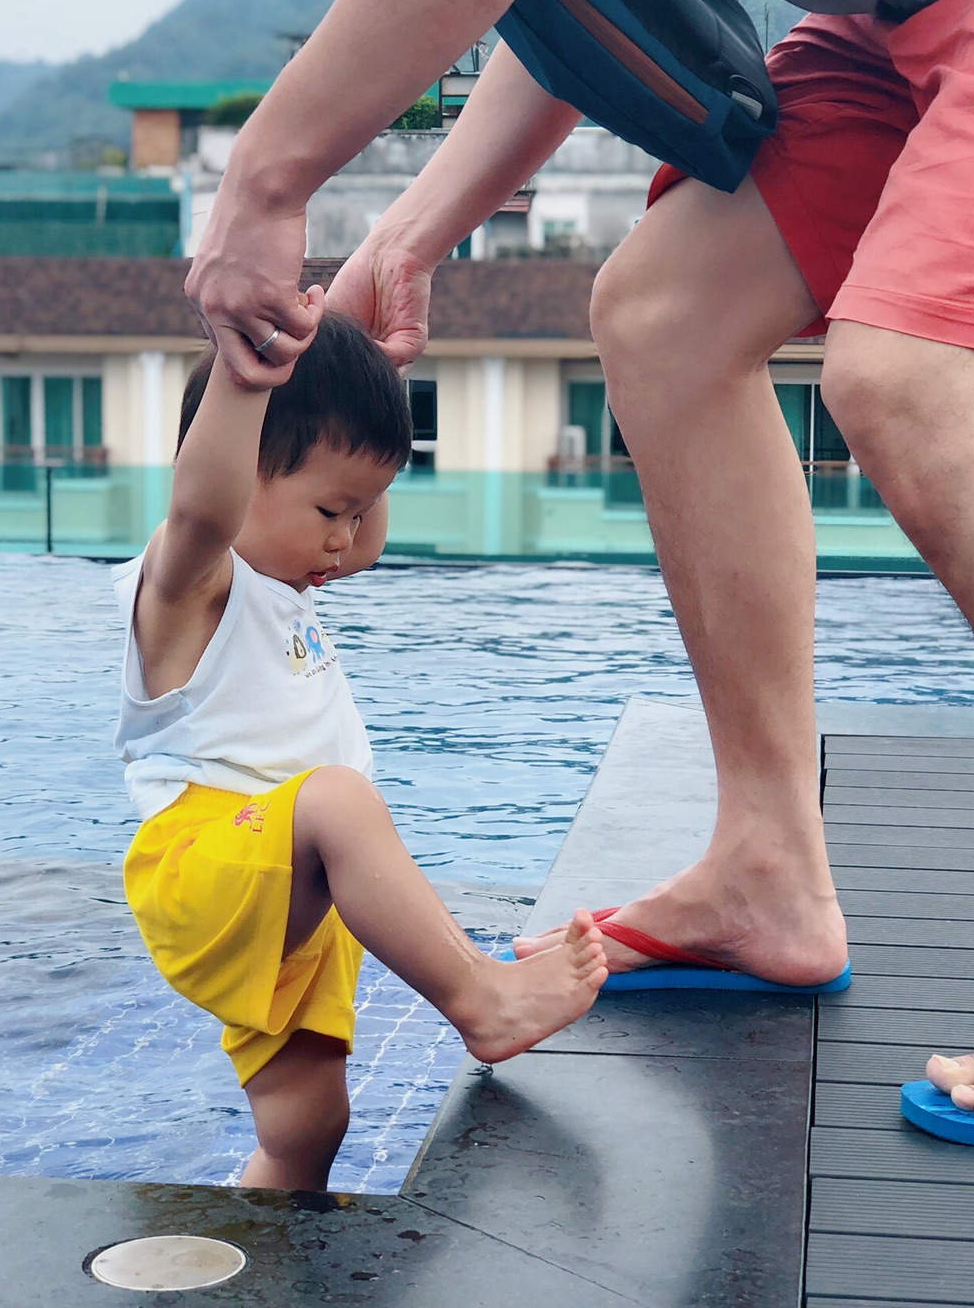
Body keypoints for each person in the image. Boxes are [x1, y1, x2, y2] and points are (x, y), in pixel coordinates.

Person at [183, 0, 974, 1137]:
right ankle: (768, 868)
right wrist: (414, 234)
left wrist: (262, 187)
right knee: (666, 316)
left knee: (916, 381)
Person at [112, 312, 607, 1192]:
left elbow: (363, 527)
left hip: (286, 892)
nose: (348, 537)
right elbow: (205, 499)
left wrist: (364, 368)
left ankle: (264, 1245)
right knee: (338, 797)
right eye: (329, 510)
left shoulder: (293, 584)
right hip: (206, 863)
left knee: (309, 1125)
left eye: (360, 506)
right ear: (240, 473)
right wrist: (246, 378)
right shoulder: (193, 585)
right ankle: (479, 1000)